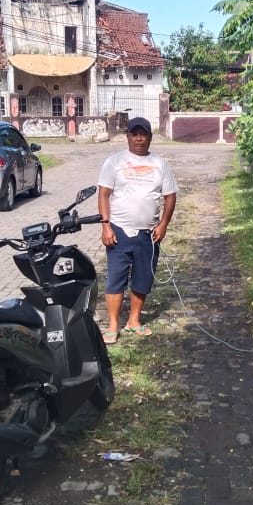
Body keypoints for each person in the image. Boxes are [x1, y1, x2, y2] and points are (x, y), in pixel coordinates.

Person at [97, 116, 177, 344]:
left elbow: (170, 196)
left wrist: (163, 224)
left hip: (149, 233)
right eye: (135, 134)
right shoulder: (115, 161)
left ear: (151, 137)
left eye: (144, 134)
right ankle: (113, 324)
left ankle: (134, 320)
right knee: (115, 279)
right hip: (119, 231)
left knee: (143, 278)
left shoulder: (160, 164)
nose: (139, 138)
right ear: (128, 137)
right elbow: (103, 194)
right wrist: (106, 226)